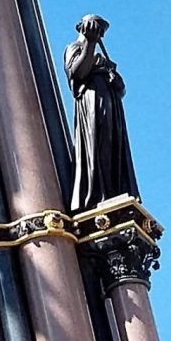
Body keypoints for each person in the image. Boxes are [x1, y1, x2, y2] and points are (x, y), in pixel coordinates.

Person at [65, 15, 139, 210]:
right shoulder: (75, 48)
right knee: (98, 145)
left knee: (113, 147)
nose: (99, 34)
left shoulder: (105, 59)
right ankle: (97, 193)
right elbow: (79, 72)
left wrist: (116, 81)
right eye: (96, 29)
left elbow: (121, 89)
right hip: (92, 104)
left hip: (111, 107)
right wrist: (89, 44)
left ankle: (113, 190)